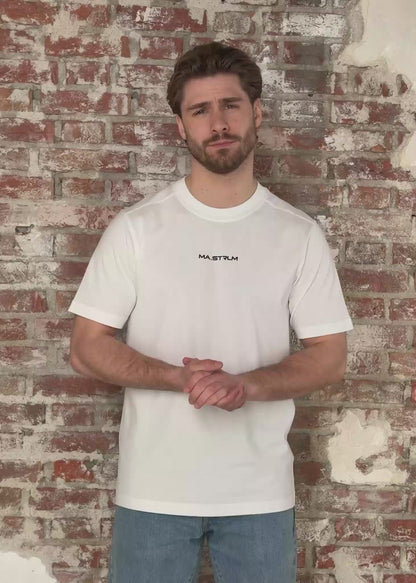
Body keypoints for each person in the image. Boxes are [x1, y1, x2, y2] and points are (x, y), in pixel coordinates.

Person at [69, 42, 353, 583]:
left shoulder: (297, 234)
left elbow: (329, 357)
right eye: (200, 111)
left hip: (260, 495)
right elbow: (86, 348)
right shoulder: (137, 229)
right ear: (181, 126)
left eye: (231, 105)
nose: (218, 123)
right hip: (153, 491)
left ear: (257, 113)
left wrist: (245, 385)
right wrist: (177, 378)